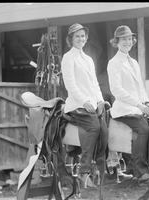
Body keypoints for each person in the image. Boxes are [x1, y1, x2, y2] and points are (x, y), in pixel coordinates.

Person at [107, 25, 149, 184]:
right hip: (123, 108)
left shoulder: (134, 62)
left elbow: (140, 87)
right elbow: (116, 90)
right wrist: (138, 105)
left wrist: (147, 103)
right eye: (124, 39)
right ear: (116, 42)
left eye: (129, 39)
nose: (127, 42)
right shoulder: (114, 62)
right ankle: (140, 171)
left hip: (137, 106)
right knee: (143, 128)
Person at [61, 23, 108, 188]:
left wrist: (100, 100)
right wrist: (85, 102)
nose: (80, 39)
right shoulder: (68, 57)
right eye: (77, 36)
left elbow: (94, 84)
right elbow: (71, 85)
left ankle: (97, 172)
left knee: (103, 130)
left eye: (83, 36)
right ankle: (83, 171)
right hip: (76, 104)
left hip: (91, 104)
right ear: (71, 39)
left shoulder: (88, 59)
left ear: (86, 38)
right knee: (94, 127)